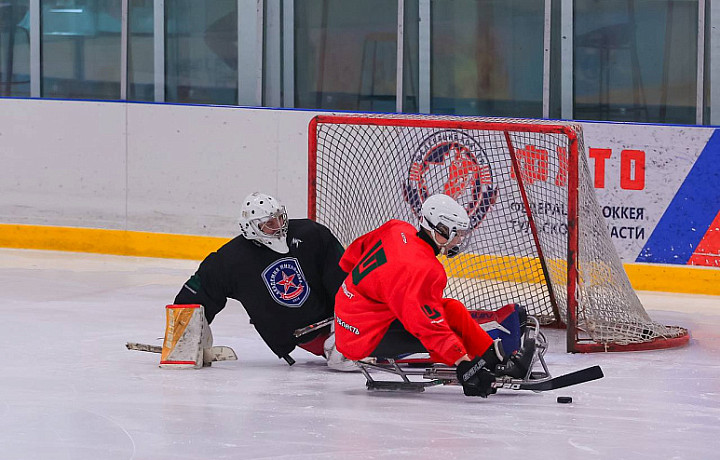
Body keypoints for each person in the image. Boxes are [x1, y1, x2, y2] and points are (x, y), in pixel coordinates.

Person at [334, 193, 535, 397]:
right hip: (361, 337)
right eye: (456, 234)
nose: (459, 239)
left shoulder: (396, 228)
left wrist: (356, 294)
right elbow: (429, 327)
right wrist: (464, 365)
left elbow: (351, 256)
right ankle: (483, 364)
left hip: (350, 313)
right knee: (444, 332)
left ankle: (494, 358)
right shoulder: (423, 268)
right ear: (440, 231)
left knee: (452, 309)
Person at [172, 191, 352, 369]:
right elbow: (195, 296)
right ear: (250, 227)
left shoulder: (312, 234)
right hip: (306, 335)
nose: (279, 226)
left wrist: (347, 319)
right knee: (353, 354)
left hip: (340, 321)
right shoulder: (231, 260)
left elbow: (343, 275)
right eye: (270, 223)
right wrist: (184, 339)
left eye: (280, 218)